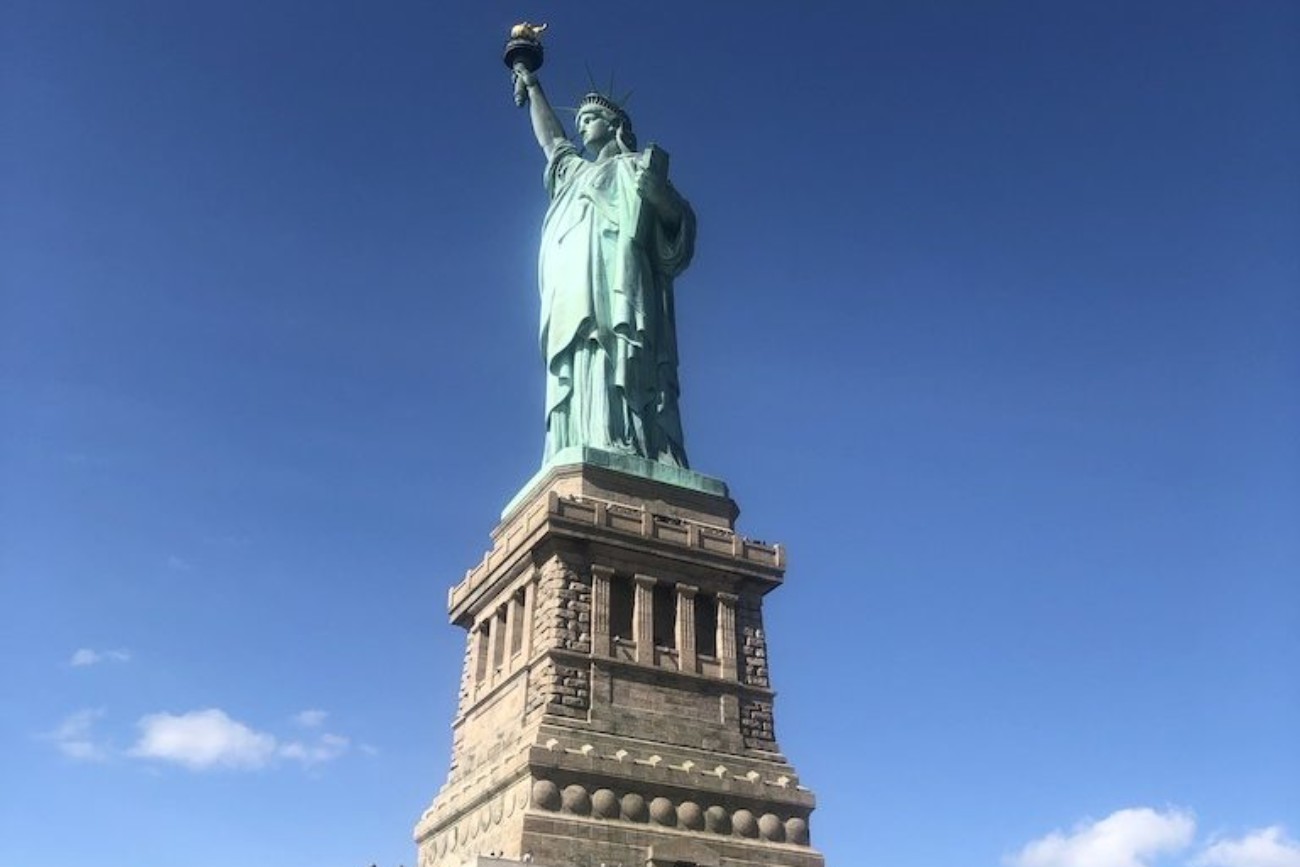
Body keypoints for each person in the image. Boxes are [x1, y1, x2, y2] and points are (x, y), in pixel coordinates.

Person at [514, 66, 696, 468]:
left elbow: (678, 229)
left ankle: (632, 440)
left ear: (614, 125)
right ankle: (586, 437)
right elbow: (553, 142)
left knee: (619, 350)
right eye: (579, 120)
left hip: (621, 287)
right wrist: (533, 86)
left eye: (591, 117)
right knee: (583, 353)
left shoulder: (636, 168)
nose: (582, 125)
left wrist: (659, 197)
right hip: (574, 291)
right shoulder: (574, 174)